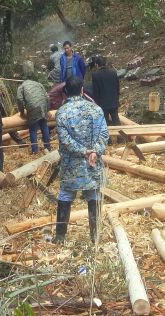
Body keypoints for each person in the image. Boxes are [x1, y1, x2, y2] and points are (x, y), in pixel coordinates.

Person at [53, 75, 109, 244]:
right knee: (93, 196)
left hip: (71, 165)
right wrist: (94, 152)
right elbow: (104, 134)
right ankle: (95, 237)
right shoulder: (96, 109)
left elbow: (65, 140)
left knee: (65, 195)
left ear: (66, 92)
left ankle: (60, 238)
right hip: (92, 163)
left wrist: (84, 151)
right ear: (82, 90)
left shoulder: (61, 113)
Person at [16, 78, 52, 154]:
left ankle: (35, 151)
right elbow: (47, 96)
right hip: (43, 105)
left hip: (33, 107)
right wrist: (47, 109)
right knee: (44, 126)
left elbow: (19, 99)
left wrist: (22, 112)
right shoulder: (38, 83)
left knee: (33, 130)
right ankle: (48, 147)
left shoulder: (21, 87)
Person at [88, 55, 121, 126]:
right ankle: (121, 136)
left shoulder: (95, 75)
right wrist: (116, 98)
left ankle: (108, 137)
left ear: (96, 64)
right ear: (105, 63)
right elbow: (117, 87)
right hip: (114, 101)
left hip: (102, 103)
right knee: (116, 120)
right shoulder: (113, 72)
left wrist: (96, 103)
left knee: (105, 123)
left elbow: (96, 91)